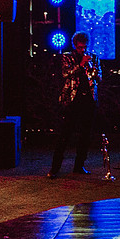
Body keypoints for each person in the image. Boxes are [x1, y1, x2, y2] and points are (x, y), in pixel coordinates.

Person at [50, 31, 102, 176]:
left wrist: (94, 72)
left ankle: (79, 166)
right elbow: (66, 73)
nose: (82, 50)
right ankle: (55, 169)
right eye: (80, 47)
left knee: (85, 136)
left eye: (84, 47)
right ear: (74, 45)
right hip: (73, 101)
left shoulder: (94, 57)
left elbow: (99, 78)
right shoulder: (67, 57)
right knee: (65, 135)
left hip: (89, 100)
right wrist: (81, 64)